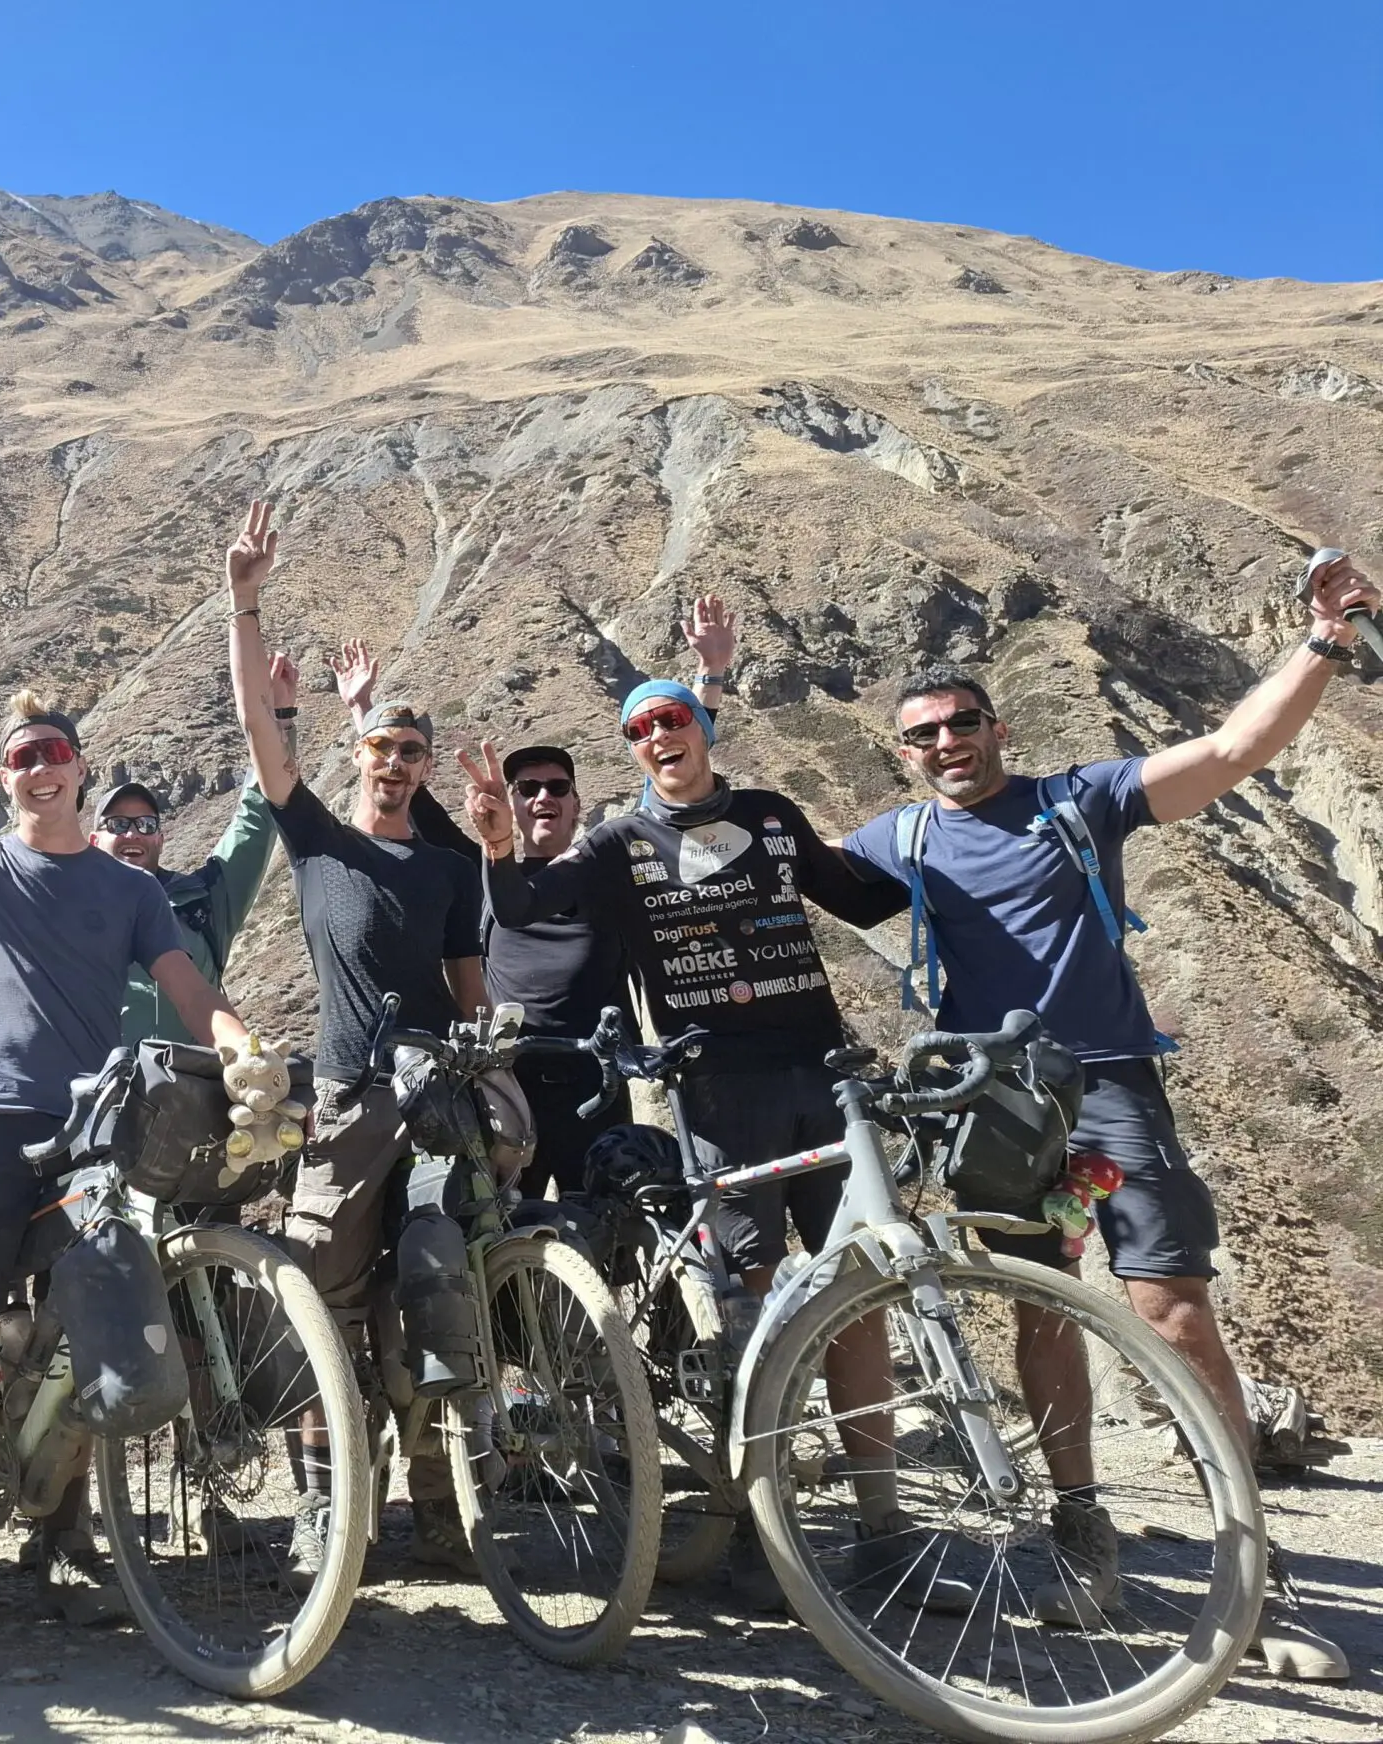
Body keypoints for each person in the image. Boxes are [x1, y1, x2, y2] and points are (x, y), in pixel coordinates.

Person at [835, 547, 1382, 1679]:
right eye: (925, 733)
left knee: (1170, 1305)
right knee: (1041, 1305)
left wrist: (1321, 643)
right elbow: (754, 877)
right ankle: (1081, 1538)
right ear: (901, 752)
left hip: (1108, 1083)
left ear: (997, 729)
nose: (947, 743)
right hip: (990, 1103)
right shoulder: (900, 842)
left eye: (963, 723)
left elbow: (1231, 751)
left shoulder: (1077, 804)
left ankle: (1251, 1577)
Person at [0, 582, 287, 1659]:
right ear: (4, 779)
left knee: (94, 1323)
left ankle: (64, 1537)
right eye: (19, 757)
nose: (37, 768)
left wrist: (240, 1041)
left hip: (90, 1136)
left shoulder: (127, 892)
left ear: (77, 765)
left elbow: (186, 979)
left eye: (51, 753)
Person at [468, 666, 972, 1611]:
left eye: (673, 719)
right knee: (745, 1295)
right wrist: (498, 848)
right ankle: (755, 1525)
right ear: (633, 751)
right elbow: (532, 905)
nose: (658, 736)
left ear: (703, 728)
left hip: (823, 1072)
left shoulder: (774, 816)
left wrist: (955, 831)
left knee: (857, 1282)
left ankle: (882, 1529)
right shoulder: (618, 843)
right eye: (639, 729)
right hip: (716, 1089)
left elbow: (863, 899)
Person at [221, 506, 491, 1576]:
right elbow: (255, 730)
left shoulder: (446, 867)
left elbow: (469, 989)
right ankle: (327, 1507)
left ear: (423, 769)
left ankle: (434, 1506)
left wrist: (489, 1074)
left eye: (410, 752)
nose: (394, 762)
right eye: (380, 746)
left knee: (430, 1292)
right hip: (342, 1101)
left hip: (433, 1100)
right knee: (322, 1307)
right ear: (359, 753)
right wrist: (243, 596)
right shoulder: (318, 841)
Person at [327, 602, 735, 1199]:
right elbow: (405, 791)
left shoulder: (612, 863)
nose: (543, 797)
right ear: (510, 805)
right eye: (527, 789)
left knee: (610, 1234)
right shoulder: (481, 871)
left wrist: (711, 675)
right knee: (506, 1237)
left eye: (557, 788)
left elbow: (674, 780)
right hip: (504, 1085)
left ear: (575, 804)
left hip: (595, 1082)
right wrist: (366, 711)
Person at [99, 651, 289, 1046]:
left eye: (146, 824)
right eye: (118, 824)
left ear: (160, 838)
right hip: (101, 1098)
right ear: (93, 839)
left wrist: (278, 722)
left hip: (194, 1097)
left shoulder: (203, 901)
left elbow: (256, 818)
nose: (132, 834)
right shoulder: (63, 909)